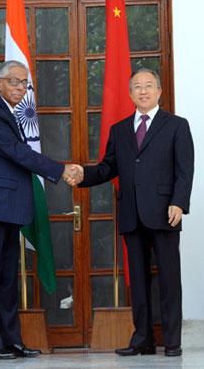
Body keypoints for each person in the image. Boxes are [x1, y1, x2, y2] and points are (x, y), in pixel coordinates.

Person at [68, 68, 194, 357]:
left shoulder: (176, 125)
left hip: (165, 212)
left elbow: (184, 170)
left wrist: (179, 202)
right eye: (137, 87)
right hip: (131, 213)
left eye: (149, 86)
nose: (143, 91)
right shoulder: (120, 129)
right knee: (137, 281)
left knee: (168, 279)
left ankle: (172, 341)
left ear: (160, 91)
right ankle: (143, 339)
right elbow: (106, 168)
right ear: (130, 93)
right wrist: (82, 174)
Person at [0, 60, 75, 360]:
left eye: (24, 83)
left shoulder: (9, 115)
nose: (20, 88)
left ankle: (11, 340)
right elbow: (17, 153)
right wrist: (59, 170)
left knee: (8, 280)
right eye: (13, 81)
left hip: (8, 209)